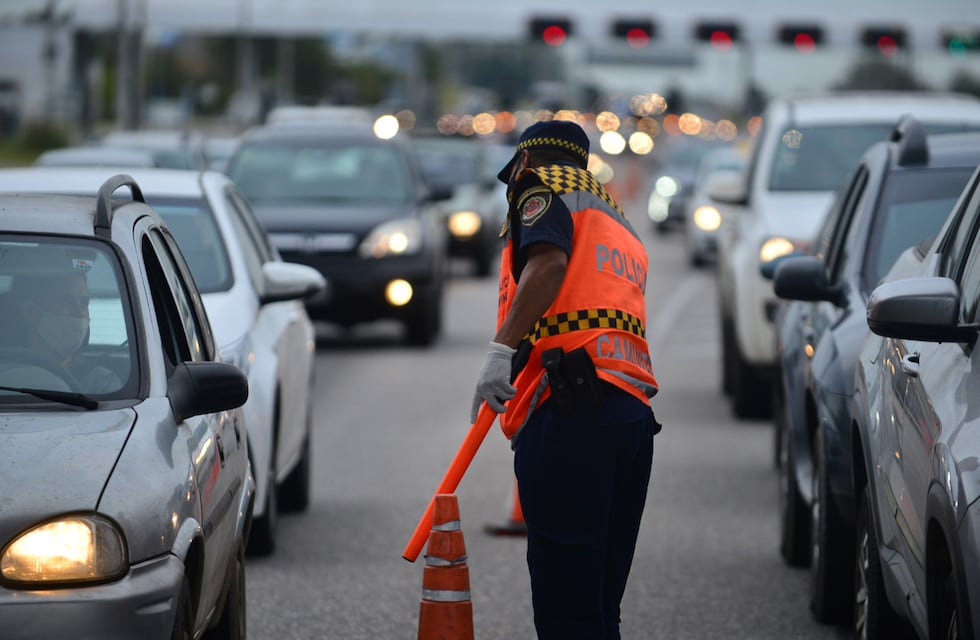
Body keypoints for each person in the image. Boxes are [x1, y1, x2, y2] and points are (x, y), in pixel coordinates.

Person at [471, 119, 661, 639]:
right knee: (600, 604)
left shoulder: (542, 188)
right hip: (630, 418)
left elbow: (549, 265)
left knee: (565, 609)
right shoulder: (615, 218)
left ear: (526, 162)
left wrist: (500, 349)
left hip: (571, 414)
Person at [8, 269, 120, 393]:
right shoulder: (5, 371)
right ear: (30, 311)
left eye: (84, 303)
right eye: (66, 301)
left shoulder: (100, 382)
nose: (79, 313)